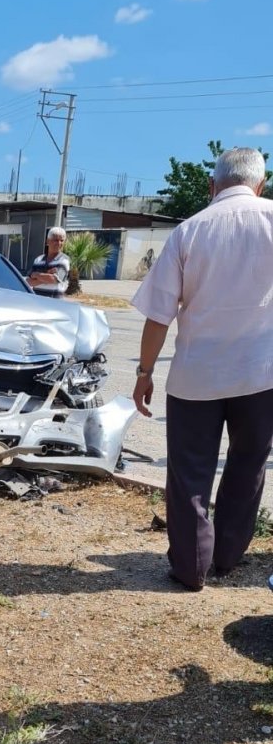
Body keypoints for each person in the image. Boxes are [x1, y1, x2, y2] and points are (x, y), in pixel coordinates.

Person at [130, 146, 273, 591]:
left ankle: (191, 567)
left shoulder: (189, 231)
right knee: (248, 464)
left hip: (196, 376)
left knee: (189, 471)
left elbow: (159, 314)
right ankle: (228, 556)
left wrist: (145, 372)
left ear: (213, 186)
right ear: (260, 184)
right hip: (262, 374)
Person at [27, 226, 69, 296]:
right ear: (47, 241)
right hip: (37, 301)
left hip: (54, 303)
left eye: (61, 240)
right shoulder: (38, 259)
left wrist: (36, 275)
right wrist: (47, 274)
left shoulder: (64, 260)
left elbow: (54, 279)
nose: (59, 243)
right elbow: (29, 281)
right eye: (55, 240)